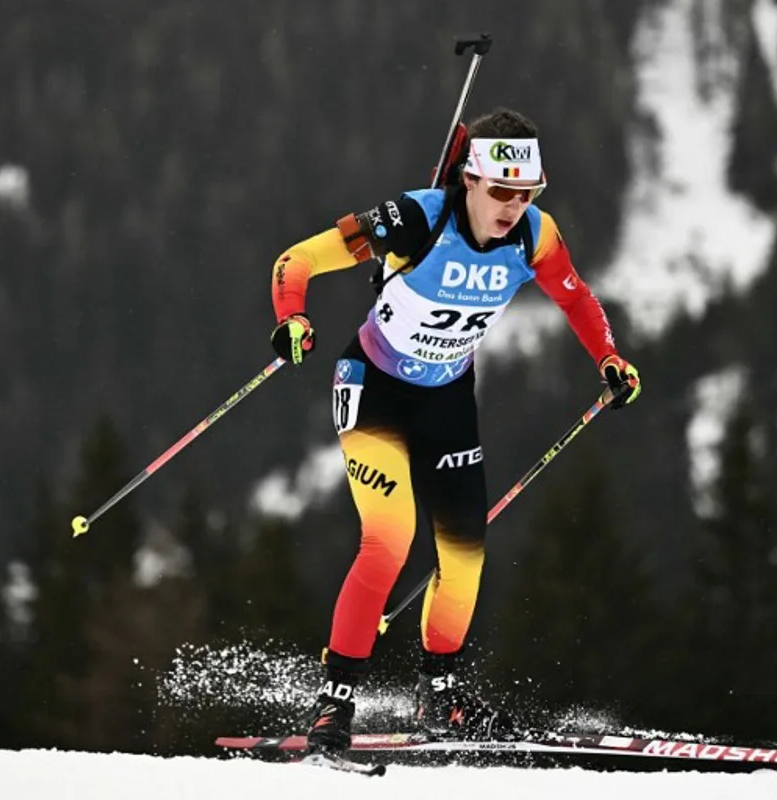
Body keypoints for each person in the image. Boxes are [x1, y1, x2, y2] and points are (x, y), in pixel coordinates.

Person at [268, 107, 641, 755]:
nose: (512, 206)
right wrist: (293, 317)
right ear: (469, 179)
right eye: (500, 191)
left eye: (526, 193)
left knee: (464, 556)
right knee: (389, 542)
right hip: (375, 390)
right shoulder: (417, 218)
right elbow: (296, 259)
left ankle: (441, 694)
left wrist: (608, 357)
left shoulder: (535, 235)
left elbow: (576, 297)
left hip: (446, 399)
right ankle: (334, 706)